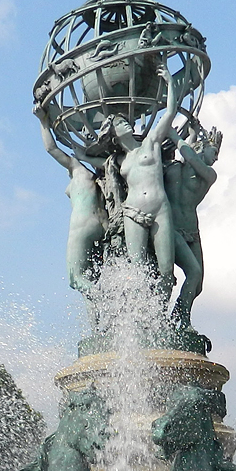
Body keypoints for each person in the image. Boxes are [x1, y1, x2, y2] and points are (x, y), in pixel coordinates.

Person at [110, 64, 181, 303]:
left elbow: (170, 112)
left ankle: (158, 317)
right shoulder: (119, 161)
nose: (127, 124)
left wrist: (170, 83)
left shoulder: (150, 143)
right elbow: (74, 156)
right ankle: (141, 317)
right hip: (132, 212)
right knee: (137, 269)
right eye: (120, 124)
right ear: (114, 134)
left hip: (160, 208)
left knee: (166, 271)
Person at [35, 104, 107, 294]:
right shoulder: (106, 176)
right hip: (105, 226)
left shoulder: (78, 170)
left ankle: (109, 307)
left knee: (76, 279)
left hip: (83, 225)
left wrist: (43, 121)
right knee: (97, 275)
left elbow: (51, 149)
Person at [164, 126, 221, 327]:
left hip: (192, 231)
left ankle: (173, 320)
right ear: (202, 148)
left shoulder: (209, 174)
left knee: (198, 286)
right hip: (170, 228)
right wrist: (189, 134)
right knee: (193, 273)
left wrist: (172, 133)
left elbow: (191, 157)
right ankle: (184, 323)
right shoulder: (172, 167)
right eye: (214, 152)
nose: (216, 159)